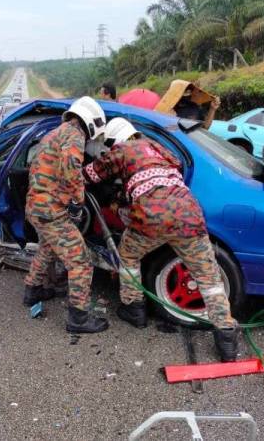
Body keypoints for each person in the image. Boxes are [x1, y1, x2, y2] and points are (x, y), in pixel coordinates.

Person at [83, 117, 239, 361]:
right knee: (208, 276)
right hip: (189, 214)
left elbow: (92, 174)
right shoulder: (156, 146)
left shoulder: (122, 149)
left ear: (116, 140)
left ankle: (134, 308)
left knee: (128, 255)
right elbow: (175, 165)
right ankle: (226, 337)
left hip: (152, 217)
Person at [24, 96, 109, 334]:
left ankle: (33, 291)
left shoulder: (54, 133)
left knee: (47, 247)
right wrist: (77, 200)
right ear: (91, 122)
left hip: (36, 206)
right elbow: (71, 167)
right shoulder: (74, 135)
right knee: (80, 261)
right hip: (51, 210)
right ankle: (78, 319)